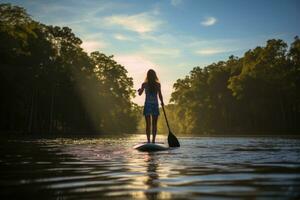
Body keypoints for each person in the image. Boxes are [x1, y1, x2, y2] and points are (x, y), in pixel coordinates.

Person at [138, 69, 164, 143]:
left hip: (148, 105)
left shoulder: (144, 84)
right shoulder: (158, 84)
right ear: (155, 76)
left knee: (148, 124)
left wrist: (139, 90)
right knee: (154, 124)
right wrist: (162, 102)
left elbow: (140, 93)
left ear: (147, 76)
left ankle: (148, 141)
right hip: (155, 105)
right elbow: (160, 95)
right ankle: (153, 141)